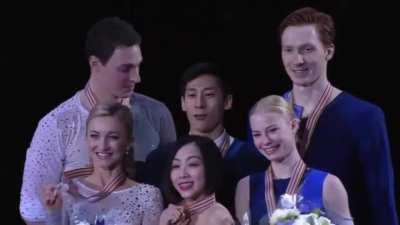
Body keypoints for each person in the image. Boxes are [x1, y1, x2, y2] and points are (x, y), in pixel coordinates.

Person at [20, 17, 176, 224]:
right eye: (125, 68)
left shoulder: (157, 114)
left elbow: (176, 190)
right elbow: (33, 209)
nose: (136, 77)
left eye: (138, 67)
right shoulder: (57, 124)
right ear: (95, 64)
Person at [274, 7, 397, 225]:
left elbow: (381, 201)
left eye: (308, 49)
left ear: (328, 51)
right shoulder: (265, 117)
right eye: (289, 50)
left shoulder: (364, 117)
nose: (298, 59)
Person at [144, 62, 267, 214]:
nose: (199, 104)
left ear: (227, 101)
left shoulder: (252, 158)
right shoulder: (160, 160)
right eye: (192, 95)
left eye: (209, 95)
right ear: (183, 103)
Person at [236, 95, 353, 225]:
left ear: (293, 125)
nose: (265, 141)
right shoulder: (246, 187)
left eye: (273, 130)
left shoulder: (328, 184)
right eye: (257, 134)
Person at [43, 103, 163, 225]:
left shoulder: (146, 197)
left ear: (128, 142)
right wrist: (54, 214)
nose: (103, 146)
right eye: (95, 136)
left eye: (113, 137)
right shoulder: (68, 192)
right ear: (86, 139)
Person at [159, 135, 234, 225]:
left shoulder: (218, 219)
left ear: (211, 168)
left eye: (192, 164)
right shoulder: (169, 215)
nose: (182, 174)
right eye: (176, 166)